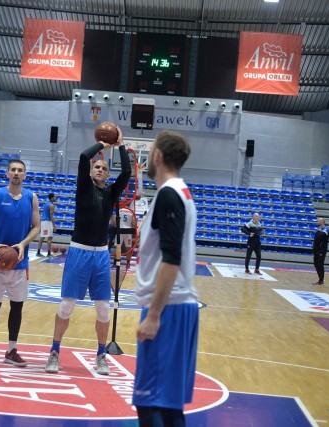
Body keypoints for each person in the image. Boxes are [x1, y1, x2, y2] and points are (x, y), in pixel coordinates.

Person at [45, 125, 131, 375]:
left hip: (101, 254)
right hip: (79, 251)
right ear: (92, 172)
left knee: (103, 309)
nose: (100, 169)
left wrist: (121, 145)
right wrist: (103, 146)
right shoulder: (83, 187)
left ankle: (101, 355)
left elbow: (126, 171)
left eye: (104, 168)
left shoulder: (111, 194)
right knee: (66, 306)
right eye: (98, 167)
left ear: (107, 175)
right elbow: (84, 157)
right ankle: (54, 351)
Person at [132, 130, 198, 427]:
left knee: (154, 406)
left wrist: (154, 315)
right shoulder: (179, 191)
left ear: (157, 156)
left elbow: (171, 259)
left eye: (150, 153)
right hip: (175, 304)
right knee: (163, 406)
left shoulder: (170, 194)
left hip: (168, 307)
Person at [0, 159, 40, 368]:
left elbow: (37, 227)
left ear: (24, 175)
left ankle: (11, 350)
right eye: (13, 170)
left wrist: (22, 244)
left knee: (17, 306)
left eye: (20, 170)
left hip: (19, 262)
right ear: (7, 174)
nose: (16, 173)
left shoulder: (32, 198)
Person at [37, 193, 56, 257]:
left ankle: (38, 252)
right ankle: (49, 253)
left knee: (42, 237)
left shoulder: (46, 204)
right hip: (47, 222)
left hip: (43, 222)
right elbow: (51, 216)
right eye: (54, 197)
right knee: (49, 238)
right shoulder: (51, 205)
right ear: (51, 198)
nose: (55, 198)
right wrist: (54, 225)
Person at [313, 217, 329, 285]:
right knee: (316, 264)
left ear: (322, 222)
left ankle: (321, 280)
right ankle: (320, 279)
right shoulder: (318, 229)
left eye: (318, 221)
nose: (317, 222)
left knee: (320, 264)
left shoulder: (326, 229)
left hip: (322, 250)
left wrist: (320, 231)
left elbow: (322, 235)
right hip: (316, 250)